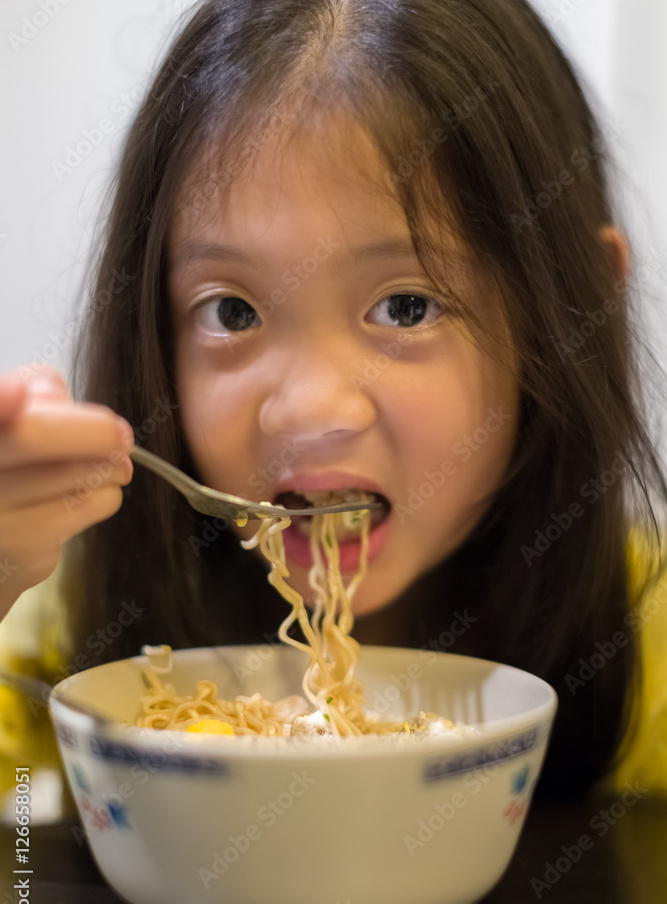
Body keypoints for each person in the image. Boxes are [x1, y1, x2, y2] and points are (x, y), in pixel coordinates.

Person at [0, 0, 665, 801]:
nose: (308, 410)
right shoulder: (63, 609)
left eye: (407, 307)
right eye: (231, 313)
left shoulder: (647, 633)